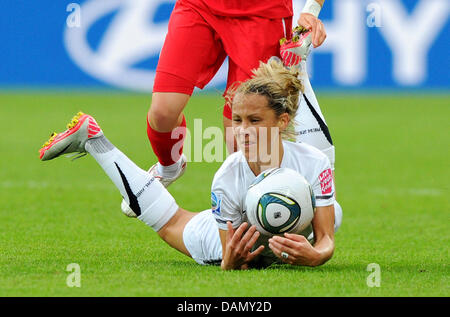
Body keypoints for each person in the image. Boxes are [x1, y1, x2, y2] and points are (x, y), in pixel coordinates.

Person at [38, 59, 342, 270]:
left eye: (255, 120)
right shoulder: (227, 177)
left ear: (282, 121)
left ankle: (299, 64)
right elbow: (229, 258)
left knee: (335, 213)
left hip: (279, 226)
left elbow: (326, 237)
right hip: (233, 233)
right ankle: (96, 141)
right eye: (237, 121)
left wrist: (315, 255)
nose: (243, 129)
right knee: (170, 222)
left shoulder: (313, 162)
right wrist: (232, 262)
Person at [145, 0, 328, 190]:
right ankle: (169, 167)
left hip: (263, 13)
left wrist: (311, 9)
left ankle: (258, 206)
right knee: (162, 112)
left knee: (241, 136)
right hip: (198, 6)